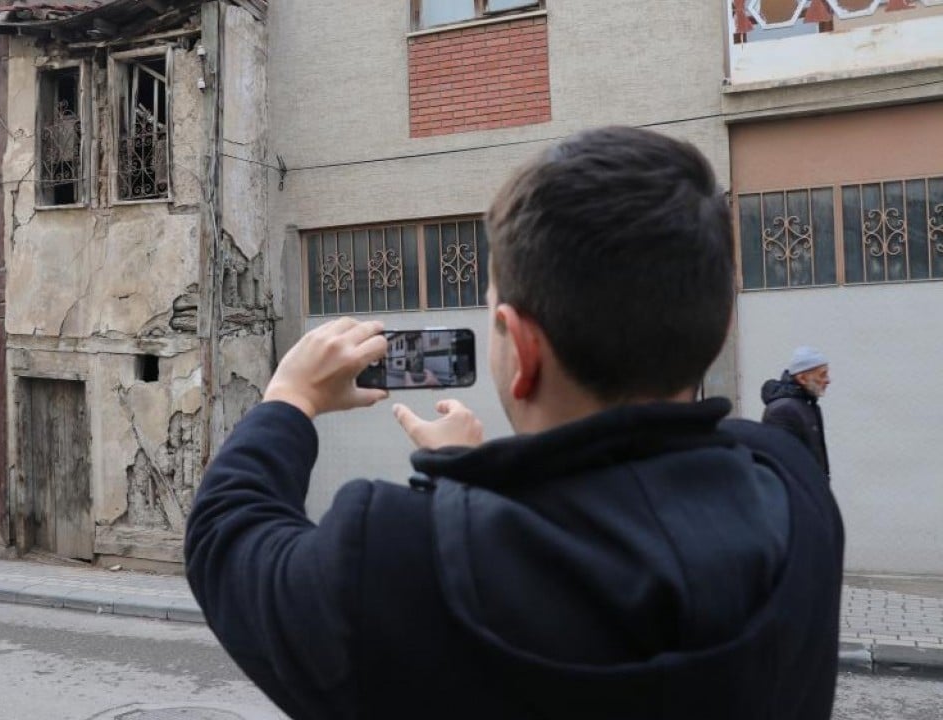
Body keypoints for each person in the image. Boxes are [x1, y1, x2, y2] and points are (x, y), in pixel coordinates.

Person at [184, 127, 844, 719]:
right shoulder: (796, 493)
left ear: (520, 350)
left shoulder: (391, 561)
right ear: (722, 325)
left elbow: (227, 534)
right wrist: (470, 487)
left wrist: (290, 396)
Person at [761, 347, 831, 476]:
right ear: (802, 378)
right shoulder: (783, 411)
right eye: (822, 375)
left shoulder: (808, 405)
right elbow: (782, 465)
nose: (828, 380)